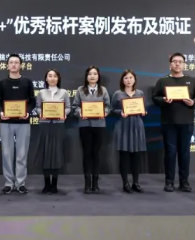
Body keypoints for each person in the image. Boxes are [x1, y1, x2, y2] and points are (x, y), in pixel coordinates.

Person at [152, 53, 195, 193]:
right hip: (168, 122)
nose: (177, 64)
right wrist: (163, 100)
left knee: (184, 152)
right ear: (170, 64)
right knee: (170, 152)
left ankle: (184, 182)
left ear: (184, 64)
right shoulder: (163, 81)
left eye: (180, 61)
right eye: (174, 61)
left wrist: (193, 102)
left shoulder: (191, 80)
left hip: (186, 122)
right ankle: (169, 181)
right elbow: (155, 97)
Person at [0, 54, 36, 194]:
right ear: (7, 66)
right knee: (7, 154)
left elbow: (32, 101)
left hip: (23, 122)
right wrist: (1, 112)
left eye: (16, 62)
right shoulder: (2, 83)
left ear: (20, 65)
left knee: (22, 154)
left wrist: (28, 112)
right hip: (6, 122)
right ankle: (9, 182)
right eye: (11, 62)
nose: (13, 65)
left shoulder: (27, 82)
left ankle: (20, 183)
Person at [72, 66, 111, 194]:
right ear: (86, 77)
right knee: (87, 153)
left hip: (99, 125)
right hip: (85, 125)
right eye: (90, 74)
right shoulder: (80, 90)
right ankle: (87, 183)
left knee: (96, 153)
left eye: (95, 74)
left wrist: (104, 112)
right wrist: (80, 113)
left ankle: (95, 183)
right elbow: (75, 107)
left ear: (98, 76)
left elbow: (108, 106)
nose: (92, 76)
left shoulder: (103, 90)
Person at [34, 69, 70, 194]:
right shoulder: (41, 92)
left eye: (55, 76)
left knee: (56, 154)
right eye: (50, 76)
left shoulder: (64, 92)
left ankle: (54, 184)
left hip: (58, 126)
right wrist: (41, 113)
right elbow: (38, 107)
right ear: (46, 78)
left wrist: (64, 114)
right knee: (45, 154)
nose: (52, 78)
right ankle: (46, 184)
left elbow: (68, 107)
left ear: (58, 78)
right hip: (45, 125)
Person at [111, 70, 147, 193]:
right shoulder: (117, 94)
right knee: (124, 156)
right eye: (126, 78)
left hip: (137, 125)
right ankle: (125, 183)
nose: (128, 80)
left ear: (134, 79)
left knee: (137, 156)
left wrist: (144, 112)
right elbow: (112, 109)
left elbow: (143, 108)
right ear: (122, 80)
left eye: (131, 77)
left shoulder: (140, 93)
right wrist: (120, 112)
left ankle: (135, 183)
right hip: (123, 125)